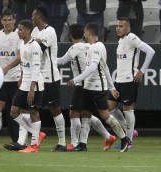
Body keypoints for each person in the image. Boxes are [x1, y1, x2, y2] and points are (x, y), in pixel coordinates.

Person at [67, 22, 130, 153]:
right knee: (86, 114)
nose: (83, 34)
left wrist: (76, 79)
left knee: (104, 115)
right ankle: (82, 145)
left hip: (97, 87)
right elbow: (105, 67)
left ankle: (124, 138)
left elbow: (93, 67)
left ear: (88, 33)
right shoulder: (90, 48)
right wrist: (112, 86)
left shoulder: (97, 47)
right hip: (88, 87)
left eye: (85, 32)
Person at [57, 23, 116, 151]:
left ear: (70, 35)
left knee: (74, 113)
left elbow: (61, 61)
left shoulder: (75, 47)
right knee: (86, 114)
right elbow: (104, 67)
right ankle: (107, 136)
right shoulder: (90, 45)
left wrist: (45, 59)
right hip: (89, 83)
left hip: (81, 84)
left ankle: (75, 143)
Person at [108, 17, 155, 148]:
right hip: (119, 80)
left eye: (121, 26)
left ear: (128, 28)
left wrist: (142, 70)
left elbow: (151, 51)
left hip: (130, 79)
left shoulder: (132, 37)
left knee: (127, 109)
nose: (118, 28)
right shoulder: (121, 40)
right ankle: (130, 132)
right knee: (110, 108)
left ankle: (129, 141)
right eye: (117, 25)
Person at [31, 6, 67, 152]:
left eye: (33, 15)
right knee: (32, 108)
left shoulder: (50, 31)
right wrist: (35, 41)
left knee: (55, 109)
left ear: (38, 16)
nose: (31, 18)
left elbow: (41, 49)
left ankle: (62, 142)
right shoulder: (35, 32)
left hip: (50, 77)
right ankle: (34, 139)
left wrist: (35, 42)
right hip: (38, 76)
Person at [0, 9, 22, 150]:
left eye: (10, 20)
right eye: (5, 20)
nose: (7, 23)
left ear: (14, 20)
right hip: (1, 79)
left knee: (14, 111)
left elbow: (19, 57)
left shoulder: (19, 35)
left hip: (15, 78)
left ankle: (18, 140)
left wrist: (6, 67)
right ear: (1, 21)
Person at [9, 19, 45, 153]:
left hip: (35, 85)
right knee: (14, 111)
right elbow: (25, 64)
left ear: (28, 31)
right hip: (24, 83)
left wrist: (32, 89)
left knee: (34, 113)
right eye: (18, 29)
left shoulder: (34, 46)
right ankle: (36, 133)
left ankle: (34, 145)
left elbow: (36, 67)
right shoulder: (22, 44)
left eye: (20, 29)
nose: (18, 31)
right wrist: (22, 77)